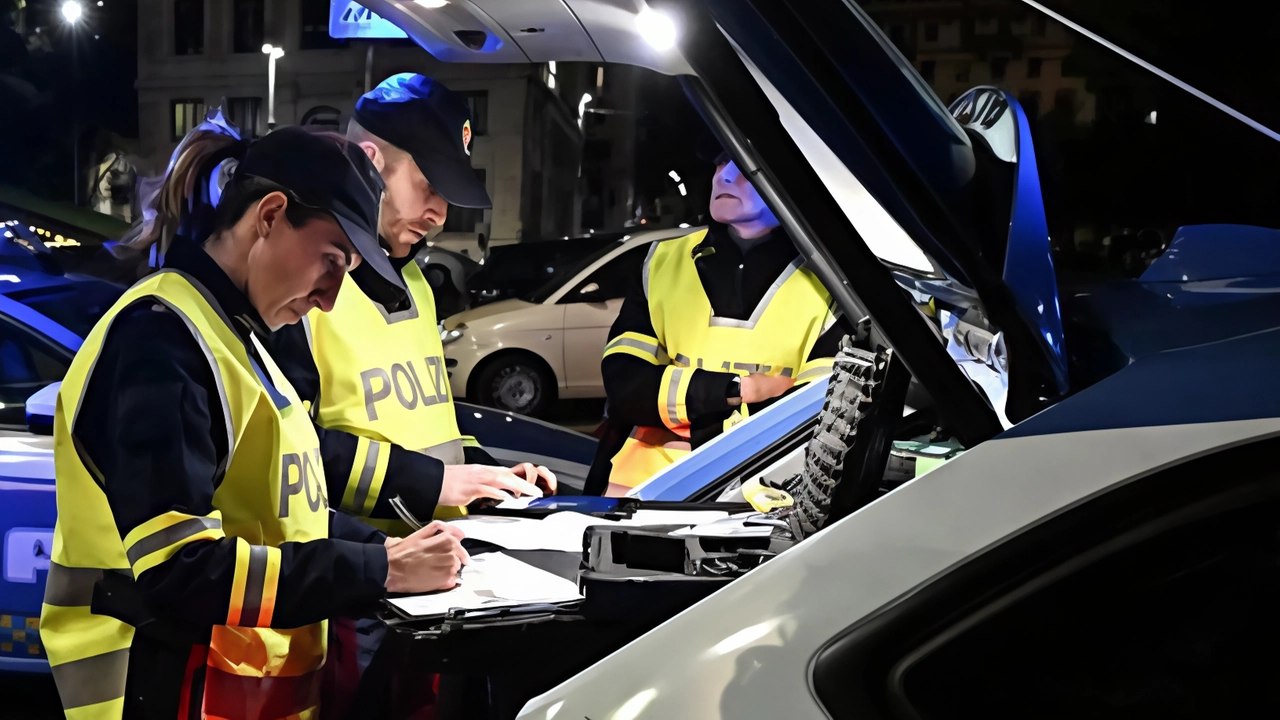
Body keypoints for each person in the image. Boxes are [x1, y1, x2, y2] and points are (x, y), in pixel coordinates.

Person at [40, 126, 469, 720]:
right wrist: (380, 569)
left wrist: (395, 547)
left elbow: (288, 514)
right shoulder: (160, 339)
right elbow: (181, 571)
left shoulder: (238, 336)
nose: (329, 297)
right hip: (158, 691)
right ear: (269, 215)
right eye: (331, 261)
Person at [271, 74, 556, 539]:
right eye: (429, 186)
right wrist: (435, 484)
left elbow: (429, 424)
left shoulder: (417, 281)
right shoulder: (298, 286)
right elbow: (289, 453)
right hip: (356, 570)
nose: (440, 214)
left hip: (431, 563)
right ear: (368, 164)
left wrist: (486, 477)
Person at [598, 146, 845, 495]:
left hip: (763, 507)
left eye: (743, 164)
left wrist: (688, 410)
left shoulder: (837, 282)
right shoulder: (662, 262)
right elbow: (625, 388)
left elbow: (819, 418)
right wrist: (742, 390)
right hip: (643, 498)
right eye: (719, 162)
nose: (723, 175)